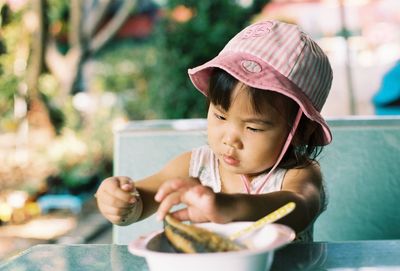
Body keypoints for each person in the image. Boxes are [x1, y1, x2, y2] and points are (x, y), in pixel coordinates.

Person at [95, 20, 333, 241]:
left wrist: (227, 207)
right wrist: (121, 201)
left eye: (253, 127)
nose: (230, 139)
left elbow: (298, 207)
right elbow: (143, 199)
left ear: (301, 132)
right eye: (220, 115)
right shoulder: (195, 166)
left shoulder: (299, 175)